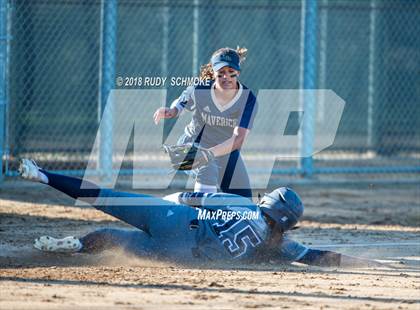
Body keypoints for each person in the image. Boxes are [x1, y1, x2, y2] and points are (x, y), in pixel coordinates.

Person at [20, 159, 382, 268]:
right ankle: (79, 246)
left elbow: (190, 197)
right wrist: (368, 263)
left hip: (173, 218)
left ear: (267, 203)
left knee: (103, 196)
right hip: (181, 252)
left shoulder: (243, 205)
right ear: (286, 223)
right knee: (118, 241)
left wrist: (162, 207)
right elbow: (318, 257)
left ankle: (41, 175)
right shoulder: (278, 246)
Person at [153, 47, 257, 199]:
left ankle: (220, 217)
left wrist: (209, 154)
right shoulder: (200, 88)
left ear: (238, 72)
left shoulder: (247, 99)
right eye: (220, 73)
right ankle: (202, 216)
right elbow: (181, 103)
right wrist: (172, 111)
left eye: (231, 72)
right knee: (207, 167)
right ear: (213, 73)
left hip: (224, 152)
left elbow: (238, 139)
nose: (226, 77)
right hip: (190, 147)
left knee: (244, 201)